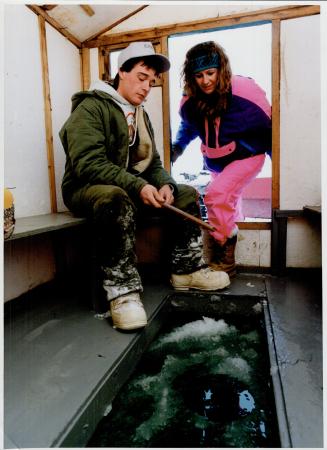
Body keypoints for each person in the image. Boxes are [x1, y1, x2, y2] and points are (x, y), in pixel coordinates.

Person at [59, 41, 230, 331]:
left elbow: (153, 164)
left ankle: (186, 269)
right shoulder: (90, 107)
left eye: (151, 82)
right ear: (121, 72)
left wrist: (166, 186)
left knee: (185, 192)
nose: (146, 87)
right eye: (141, 77)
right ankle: (122, 291)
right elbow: (88, 164)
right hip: (86, 187)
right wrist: (138, 186)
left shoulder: (140, 115)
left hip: (126, 188)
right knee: (115, 197)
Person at [172, 41, 272, 277]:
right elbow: (188, 127)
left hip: (247, 155)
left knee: (216, 196)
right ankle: (226, 247)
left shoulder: (245, 95)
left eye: (210, 73)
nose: (205, 80)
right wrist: (177, 147)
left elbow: (269, 129)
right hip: (216, 160)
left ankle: (226, 257)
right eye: (199, 75)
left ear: (221, 70)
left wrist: (283, 165)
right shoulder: (191, 101)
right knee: (229, 201)